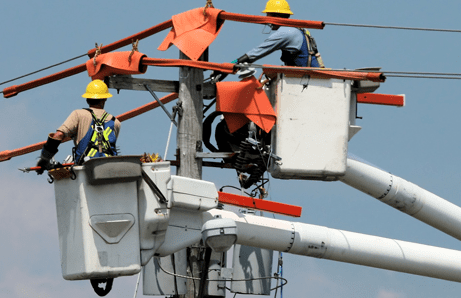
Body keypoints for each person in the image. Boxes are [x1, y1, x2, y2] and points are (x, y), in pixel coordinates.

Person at [211, 0, 324, 82]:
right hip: (312, 77)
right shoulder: (296, 29)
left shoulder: (285, 33)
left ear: (275, 16)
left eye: (268, 15)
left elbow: (255, 54)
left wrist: (228, 66)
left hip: (308, 80)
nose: (266, 19)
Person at [36, 79, 121, 174]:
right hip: (110, 171)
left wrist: (44, 159)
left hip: (86, 171)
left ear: (87, 99)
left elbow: (58, 136)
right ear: (105, 98)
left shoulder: (78, 115)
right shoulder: (115, 122)